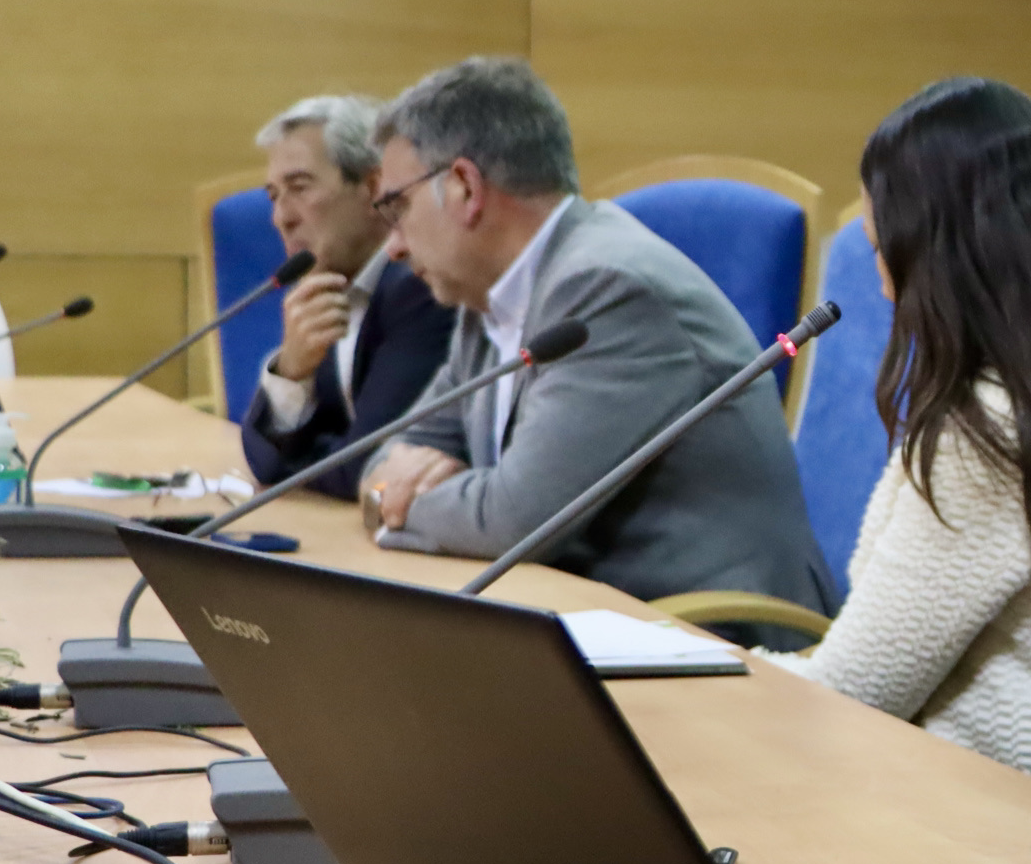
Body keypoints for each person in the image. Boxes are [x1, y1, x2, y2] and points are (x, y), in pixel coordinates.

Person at [766, 79, 1031, 776]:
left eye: (880, 248)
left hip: (959, 798)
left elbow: (853, 693)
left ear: (937, 253)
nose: (882, 283)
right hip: (1024, 786)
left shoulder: (989, 435)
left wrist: (701, 667)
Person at [360, 56, 833, 612]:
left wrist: (399, 497)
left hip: (717, 638)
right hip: (591, 618)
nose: (391, 246)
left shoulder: (607, 289)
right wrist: (398, 483)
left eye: (398, 207)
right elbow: (382, 459)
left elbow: (514, 519)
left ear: (465, 187)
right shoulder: (485, 299)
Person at [241, 95, 456, 500]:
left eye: (300, 188)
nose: (281, 218)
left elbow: (366, 468)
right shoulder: (328, 287)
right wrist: (292, 372)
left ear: (374, 188)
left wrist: (301, 457)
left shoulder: (420, 288)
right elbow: (263, 458)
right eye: (274, 195)